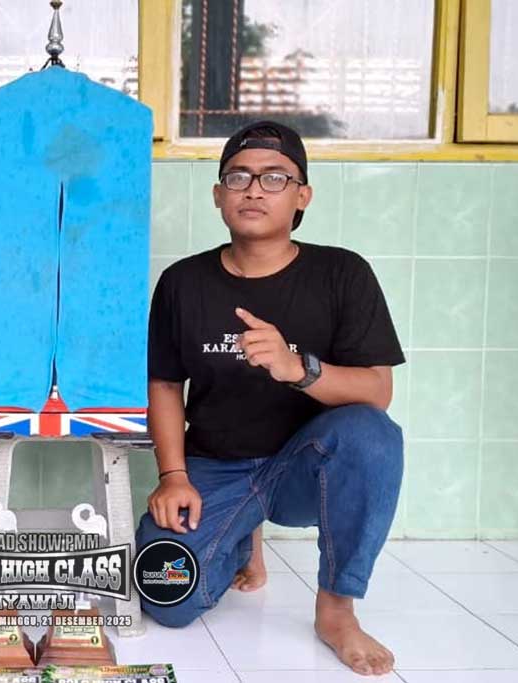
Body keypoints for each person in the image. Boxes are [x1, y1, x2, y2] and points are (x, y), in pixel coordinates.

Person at [137, 121, 404, 676]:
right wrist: (173, 476)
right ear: (218, 195)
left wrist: (296, 368)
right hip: (214, 467)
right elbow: (163, 384)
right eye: (238, 177)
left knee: (371, 434)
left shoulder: (342, 273)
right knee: (166, 596)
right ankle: (241, 536)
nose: (254, 189)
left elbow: (377, 391)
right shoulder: (183, 282)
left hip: (301, 469)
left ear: (302, 195)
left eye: (275, 177)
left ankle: (336, 611)